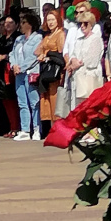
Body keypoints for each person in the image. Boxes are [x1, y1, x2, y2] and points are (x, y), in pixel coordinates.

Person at [9, 10, 43, 141]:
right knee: (22, 102)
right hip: (19, 74)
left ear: (30, 24)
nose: (21, 25)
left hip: (31, 72)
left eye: (24, 22)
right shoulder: (19, 39)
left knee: (34, 102)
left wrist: (22, 67)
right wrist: (14, 65)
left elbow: (34, 56)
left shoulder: (37, 38)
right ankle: (25, 129)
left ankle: (37, 128)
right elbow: (12, 54)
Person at [35, 10, 66, 138]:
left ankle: (59, 130)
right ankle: (52, 130)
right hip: (46, 70)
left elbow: (62, 54)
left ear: (58, 20)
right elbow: (37, 51)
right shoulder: (47, 36)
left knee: (55, 99)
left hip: (56, 71)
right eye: (48, 20)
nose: (50, 22)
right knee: (47, 100)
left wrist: (48, 54)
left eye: (53, 19)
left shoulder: (60, 34)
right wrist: (43, 54)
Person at [67, 9, 105, 105]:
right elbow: (73, 53)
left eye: (85, 23)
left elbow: (92, 60)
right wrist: (73, 60)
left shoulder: (96, 39)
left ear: (91, 25)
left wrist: (77, 64)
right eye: (80, 24)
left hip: (89, 78)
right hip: (77, 79)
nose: (82, 26)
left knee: (89, 105)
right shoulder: (79, 39)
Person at [0, 14, 19, 137]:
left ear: (16, 24)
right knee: (5, 100)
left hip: (10, 71)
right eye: (6, 23)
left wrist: (5, 57)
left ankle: (16, 127)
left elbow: (16, 53)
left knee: (12, 99)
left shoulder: (17, 37)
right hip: (1, 71)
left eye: (10, 22)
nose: (7, 25)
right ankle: (10, 126)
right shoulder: (2, 38)